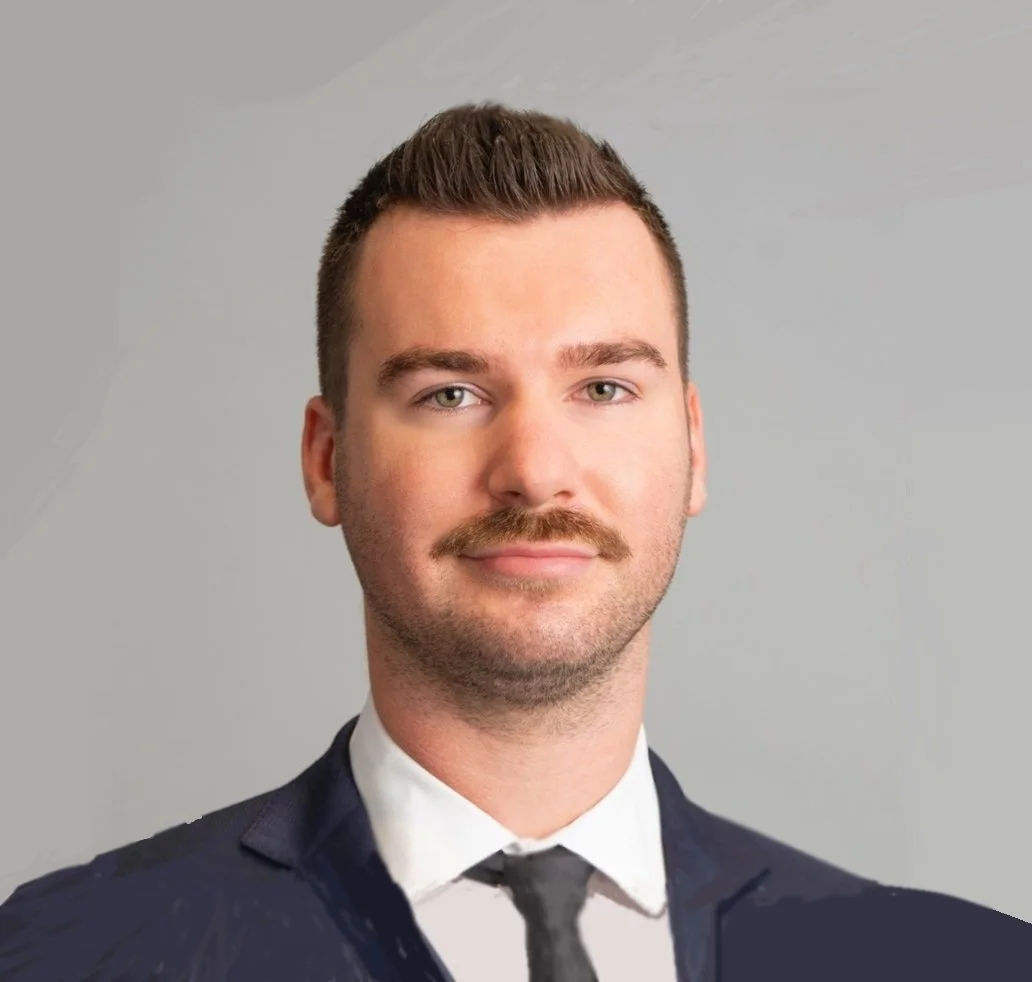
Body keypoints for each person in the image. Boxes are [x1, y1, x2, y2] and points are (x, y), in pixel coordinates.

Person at [1, 101, 1029, 982]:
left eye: (604, 388)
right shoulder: (62, 958)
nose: (534, 470)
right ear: (326, 459)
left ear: (693, 447)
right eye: (449, 393)